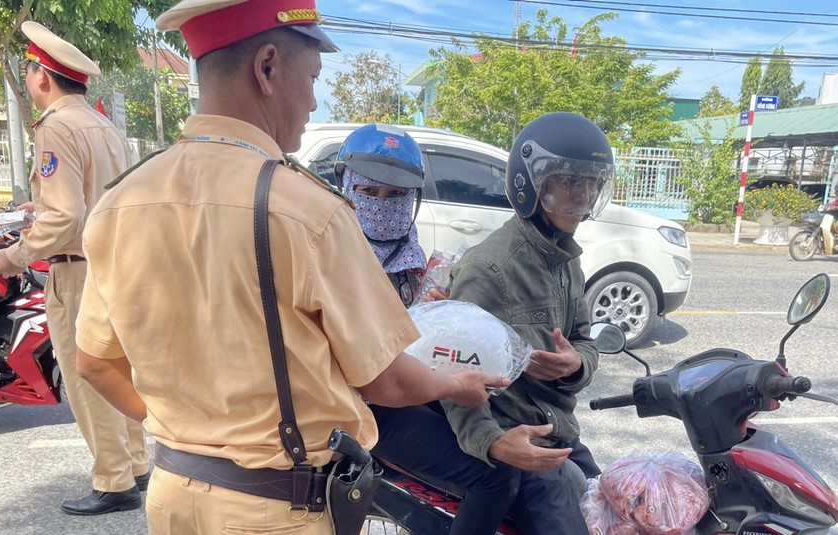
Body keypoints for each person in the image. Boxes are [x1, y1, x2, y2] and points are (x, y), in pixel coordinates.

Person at [72, 2, 505, 534]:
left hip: (171, 497)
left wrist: (194, 440)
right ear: (268, 67)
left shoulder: (121, 201)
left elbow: (94, 364)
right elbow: (385, 380)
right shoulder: (306, 212)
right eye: (314, 76)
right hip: (275, 510)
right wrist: (453, 384)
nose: (314, 100)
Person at [0, 21, 150, 515]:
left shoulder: (56, 126)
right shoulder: (103, 125)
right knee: (117, 367)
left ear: (41, 76)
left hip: (77, 271)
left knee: (85, 376)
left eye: (31, 67)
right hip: (114, 264)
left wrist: (13, 257)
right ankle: (136, 464)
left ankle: (113, 478)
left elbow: (65, 217)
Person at [335, 123, 522, 534]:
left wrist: (438, 316)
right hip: (367, 406)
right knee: (497, 475)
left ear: (415, 199)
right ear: (345, 188)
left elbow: (416, 342)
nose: (383, 205)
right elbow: (373, 373)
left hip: (410, 387)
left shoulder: (413, 257)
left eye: (397, 195)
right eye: (369, 192)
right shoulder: (334, 260)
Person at [442, 112, 616, 535]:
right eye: (569, 181)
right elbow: (452, 370)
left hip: (562, 434)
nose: (583, 195)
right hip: (521, 442)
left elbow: (583, 339)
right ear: (531, 184)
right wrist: (493, 442)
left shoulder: (565, 260)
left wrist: (576, 365)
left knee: (625, 507)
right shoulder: (489, 268)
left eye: (592, 183)